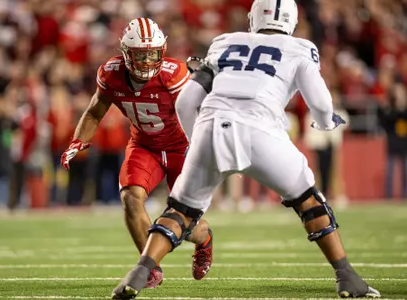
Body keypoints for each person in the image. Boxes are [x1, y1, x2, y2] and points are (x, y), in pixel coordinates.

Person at [111, 1, 380, 299]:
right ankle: (346, 276)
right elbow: (320, 103)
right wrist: (327, 122)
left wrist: (199, 142)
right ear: (291, 20)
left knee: (181, 212)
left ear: (253, 18)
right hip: (262, 131)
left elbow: (186, 102)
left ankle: (140, 271)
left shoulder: (224, 42)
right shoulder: (301, 48)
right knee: (309, 202)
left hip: (211, 126)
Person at [60, 18, 213, 289]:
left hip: (182, 147)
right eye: (140, 55)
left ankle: (205, 239)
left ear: (162, 51)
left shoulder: (173, 73)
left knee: (185, 221)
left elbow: (201, 108)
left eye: (152, 54)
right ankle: (150, 269)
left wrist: (203, 82)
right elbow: (96, 110)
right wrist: (77, 141)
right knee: (131, 198)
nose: (146, 61)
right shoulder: (110, 73)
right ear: (126, 53)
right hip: (145, 146)